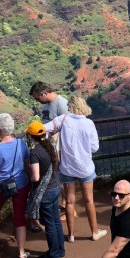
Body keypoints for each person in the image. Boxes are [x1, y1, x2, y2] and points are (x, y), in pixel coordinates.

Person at [44, 95, 105, 242]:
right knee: (89, 200)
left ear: (70, 106)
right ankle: (94, 232)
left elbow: (43, 128)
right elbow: (95, 147)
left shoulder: (62, 120)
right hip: (85, 168)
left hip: (67, 168)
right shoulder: (88, 123)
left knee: (70, 202)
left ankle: (71, 235)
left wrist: (49, 142)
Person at [0, 113, 33, 258]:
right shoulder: (21, 144)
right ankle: (21, 252)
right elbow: (27, 163)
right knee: (19, 217)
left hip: (2, 186)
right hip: (20, 184)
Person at [25, 120, 65, 258]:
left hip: (46, 192)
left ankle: (54, 254)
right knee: (55, 221)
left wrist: (28, 176)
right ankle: (60, 250)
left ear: (30, 136)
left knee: (49, 223)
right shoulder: (50, 146)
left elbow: (35, 177)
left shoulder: (35, 153)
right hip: (55, 187)